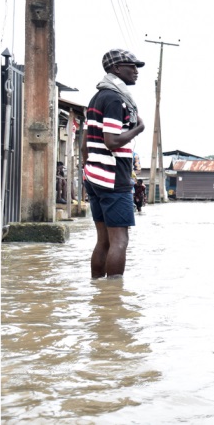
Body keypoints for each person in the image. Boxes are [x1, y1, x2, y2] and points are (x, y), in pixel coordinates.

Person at [81, 49, 146, 278]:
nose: (136, 71)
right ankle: (113, 298)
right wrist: (139, 128)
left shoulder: (96, 98)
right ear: (116, 68)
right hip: (113, 177)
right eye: (132, 66)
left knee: (103, 240)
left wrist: (89, 172)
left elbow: (84, 145)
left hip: (94, 176)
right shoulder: (115, 98)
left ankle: (99, 292)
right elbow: (111, 141)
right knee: (119, 240)